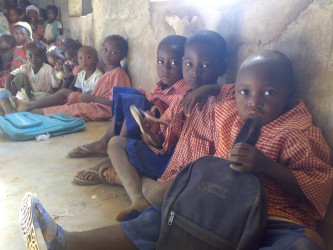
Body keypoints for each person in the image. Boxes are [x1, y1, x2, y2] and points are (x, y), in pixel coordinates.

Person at [19, 49, 333, 250]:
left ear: (289, 94)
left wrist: (268, 167)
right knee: (157, 218)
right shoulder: (225, 110)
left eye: (269, 93)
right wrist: (207, 92)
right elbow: (225, 90)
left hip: (276, 219)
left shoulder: (298, 131)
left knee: (308, 245)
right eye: (244, 92)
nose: (254, 101)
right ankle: (66, 242)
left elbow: (319, 185)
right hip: (216, 209)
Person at [68, 35, 187, 161]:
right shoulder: (161, 86)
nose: (165, 68)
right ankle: (107, 143)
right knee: (130, 96)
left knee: (136, 100)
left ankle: (117, 149)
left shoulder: (184, 93)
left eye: (173, 63)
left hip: (160, 139)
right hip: (149, 128)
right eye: (160, 61)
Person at [1, 35, 132, 121]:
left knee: (71, 109)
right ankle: (28, 105)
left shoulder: (118, 74)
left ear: (122, 56)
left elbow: (118, 104)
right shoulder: (106, 69)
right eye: (105, 49)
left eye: (114, 52)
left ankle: (26, 114)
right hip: (92, 100)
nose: (107, 55)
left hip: (101, 109)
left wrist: (91, 98)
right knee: (64, 92)